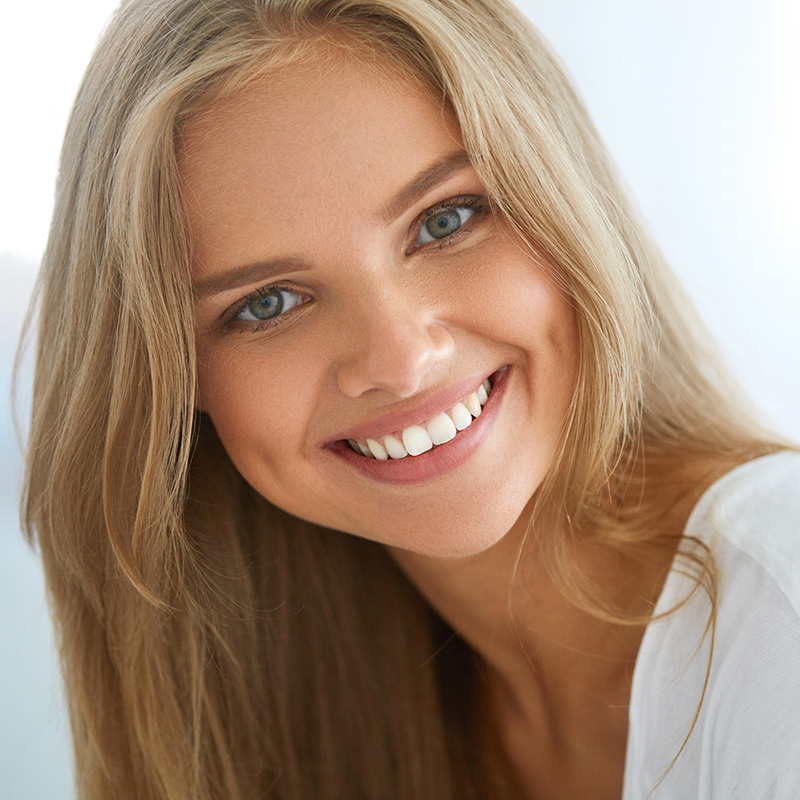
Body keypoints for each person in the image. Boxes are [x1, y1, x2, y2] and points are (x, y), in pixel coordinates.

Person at [19, 0, 800, 798]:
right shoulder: (307, 717)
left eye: (446, 220)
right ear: (172, 380)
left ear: (563, 197)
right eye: (267, 303)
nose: (398, 359)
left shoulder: (784, 608)